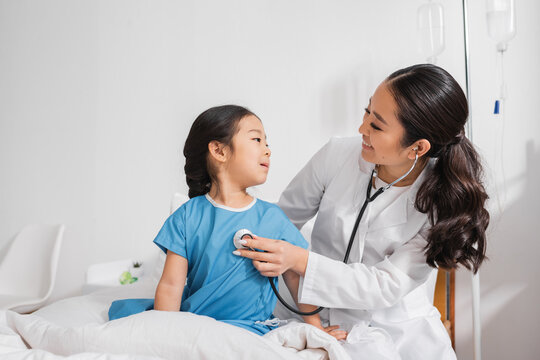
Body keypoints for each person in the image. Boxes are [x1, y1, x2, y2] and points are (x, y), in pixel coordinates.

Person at [234, 64, 490, 359]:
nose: (361, 129)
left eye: (377, 126)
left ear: (417, 148)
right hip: (310, 312)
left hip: (395, 329)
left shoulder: (441, 203)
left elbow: (383, 287)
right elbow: (281, 221)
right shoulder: (337, 155)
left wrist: (299, 259)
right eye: (366, 112)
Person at [109, 105, 343, 338]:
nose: (268, 150)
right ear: (219, 151)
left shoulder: (273, 217)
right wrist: (163, 336)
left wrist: (317, 329)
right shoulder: (187, 216)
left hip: (253, 330)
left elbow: (295, 280)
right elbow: (171, 286)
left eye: (267, 143)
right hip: (196, 326)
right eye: (256, 139)